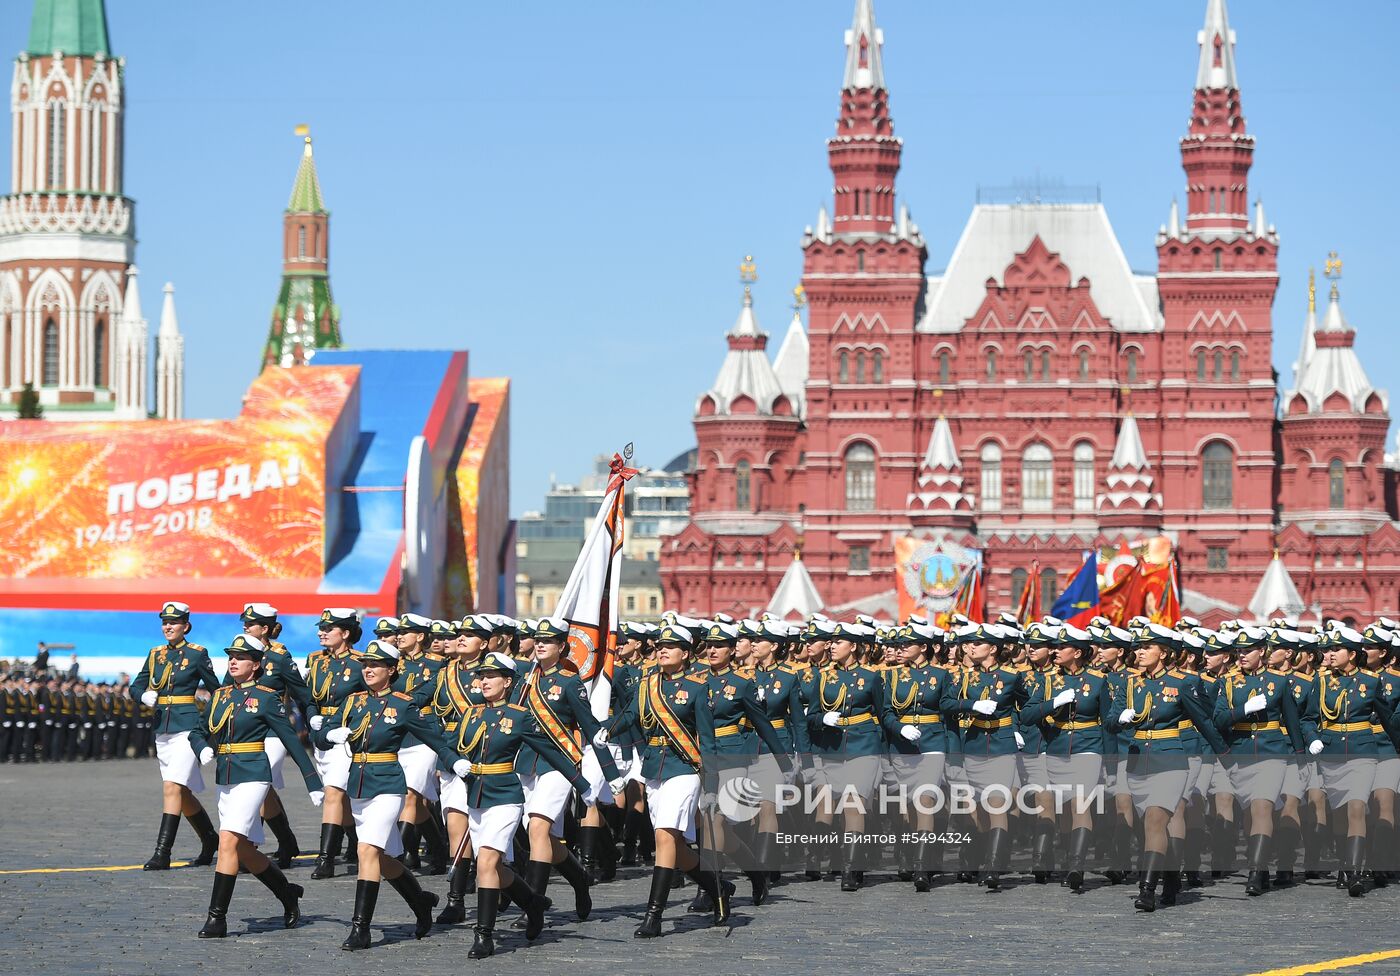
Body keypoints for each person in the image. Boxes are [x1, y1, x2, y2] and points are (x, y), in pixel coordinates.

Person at [313, 639, 470, 950]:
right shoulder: (352, 702)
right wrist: (329, 735)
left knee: (366, 852)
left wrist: (456, 762)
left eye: (376, 665)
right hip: (358, 786)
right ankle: (420, 900)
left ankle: (361, 928)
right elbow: (318, 736)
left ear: (392, 670)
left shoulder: (403, 705)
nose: (368, 669)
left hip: (387, 786)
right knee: (382, 858)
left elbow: (436, 741)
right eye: (366, 665)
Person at [451, 650, 602, 958]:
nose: (483, 681)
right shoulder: (471, 714)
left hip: (506, 796)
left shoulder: (520, 716)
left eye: (491, 676)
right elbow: (448, 741)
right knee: (492, 867)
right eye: (481, 676)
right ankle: (533, 901)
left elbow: (552, 751)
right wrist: (453, 761)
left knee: (495, 859)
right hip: (478, 796)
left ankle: (484, 936)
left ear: (508, 681)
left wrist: (583, 785)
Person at [188, 634, 324, 938]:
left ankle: (216, 918)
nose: (233, 661)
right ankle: (287, 893)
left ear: (256, 664)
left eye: (241, 657)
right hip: (226, 776)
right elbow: (198, 731)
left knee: (228, 842)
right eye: (231, 656)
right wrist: (202, 748)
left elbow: (291, 740)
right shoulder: (219, 696)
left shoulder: (266, 697)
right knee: (244, 850)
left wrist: (312, 780)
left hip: (253, 774)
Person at [606, 622, 730, 937]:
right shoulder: (647, 685)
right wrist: (605, 728)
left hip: (685, 769)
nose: (662, 650)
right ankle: (717, 886)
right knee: (674, 844)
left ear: (686, 653)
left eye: (670, 646)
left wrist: (712, 786)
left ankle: (654, 915)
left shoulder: (699, 687)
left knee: (664, 836)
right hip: (654, 769)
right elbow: (631, 716)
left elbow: (708, 739)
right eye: (660, 645)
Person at [1109, 622, 1228, 912]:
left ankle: (1147, 889)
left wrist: (1227, 756)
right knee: (1149, 828)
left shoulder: (1181, 683)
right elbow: (1110, 722)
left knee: (1155, 820)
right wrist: (1121, 718)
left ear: (1163, 652)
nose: (1139, 652)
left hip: (1172, 761)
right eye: (1138, 647)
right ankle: (1172, 875)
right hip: (1138, 763)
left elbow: (1204, 721)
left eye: (1147, 647)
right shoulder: (1129, 683)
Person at [509, 616, 621, 924]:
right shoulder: (525, 679)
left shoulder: (571, 682)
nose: (541, 644)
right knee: (544, 839)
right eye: (538, 639)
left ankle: (532, 905)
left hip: (559, 763)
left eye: (549, 641)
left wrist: (611, 774)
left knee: (538, 828)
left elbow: (589, 727)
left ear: (562, 646)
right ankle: (578, 877)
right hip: (526, 762)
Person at [1299, 625, 1400, 897]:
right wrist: (1311, 738)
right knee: (1340, 815)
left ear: (1352, 655)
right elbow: (1307, 718)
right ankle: (1346, 863)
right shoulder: (1320, 682)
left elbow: (1388, 719)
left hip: (1363, 752)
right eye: (1328, 649)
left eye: (1336, 649)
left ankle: (1355, 872)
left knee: (1357, 807)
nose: (1330, 654)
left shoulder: (1370, 682)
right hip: (1330, 753)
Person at [1212, 626, 1306, 895]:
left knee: (1262, 806)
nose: (1241, 655)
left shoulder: (1279, 682)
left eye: (1248, 650)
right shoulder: (1227, 682)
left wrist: (1300, 758)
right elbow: (1218, 720)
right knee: (1248, 816)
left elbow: (1292, 721)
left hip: (1271, 752)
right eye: (1239, 650)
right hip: (1239, 753)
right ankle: (1263, 868)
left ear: (1261, 651)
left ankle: (1255, 871)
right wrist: (1243, 710)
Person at [1019, 624, 1113, 892]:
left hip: (1088, 748)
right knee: (1064, 811)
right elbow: (1026, 715)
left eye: (1062, 647)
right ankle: (1065, 857)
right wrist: (1053, 703)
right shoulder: (1048, 680)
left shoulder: (1098, 681)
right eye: (1056, 647)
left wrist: (1111, 761)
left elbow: (1106, 722)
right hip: (1057, 749)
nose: (1056, 651)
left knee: (1080, 805)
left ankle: (1076, 866)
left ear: (1079, 652)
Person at [130, 602, 223, 870]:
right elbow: (136, 685)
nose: (168, 627)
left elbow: (216, 691)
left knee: (171, 787)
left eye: (174, 623)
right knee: (181, 793)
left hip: (188, 728)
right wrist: (142, 695)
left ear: (186, 626)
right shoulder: (154, 654)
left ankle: (162, 853)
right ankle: (209, 839)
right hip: (163, 728)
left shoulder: (197, 654)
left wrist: (209, 726)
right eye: (165, 623)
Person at [236, 603, 313, 868]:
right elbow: (227, 690)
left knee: (256, 786)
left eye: (250, 623)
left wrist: (313, 718)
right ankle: (287, 841)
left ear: (265, 628)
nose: (245, 627)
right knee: (263, 791)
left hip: (273, 732)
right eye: (244, 623)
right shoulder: (239, 653)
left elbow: (302, 693)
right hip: (246, 732)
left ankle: (249, 847)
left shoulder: (279, 657)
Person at [883, 621, 953, 891]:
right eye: (900, 645)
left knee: (925, 800)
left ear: (923, 647)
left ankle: (922, 868)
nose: (901, 649)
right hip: (902, 746)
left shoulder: (941, 675)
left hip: (931, 743)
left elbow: (947, 711)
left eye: (907, 645)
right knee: (909, 807)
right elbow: (887, 712)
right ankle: (913, 855)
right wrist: (900, 727)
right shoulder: (892, 677)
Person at [432, 614, 492, 924]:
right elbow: (421, 707)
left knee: (487, 837)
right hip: (453, 755)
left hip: (488, 756)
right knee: (457, 827)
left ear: (484, 642)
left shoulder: (497, 672)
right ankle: (455, 901)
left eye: (470, 634)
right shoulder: (444, 674)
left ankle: (506, 889)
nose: (462, 637)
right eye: (460, 633)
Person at [305, 608, 368, 879]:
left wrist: (353, 727)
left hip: (346, 736)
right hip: (322, 735)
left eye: (328, 628)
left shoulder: (360, 662)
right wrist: (312, 717)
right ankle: (355, 842)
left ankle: (326, 858)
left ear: (345, 633)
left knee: (333, 793)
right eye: (321, 627)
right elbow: (309, 698)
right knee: (339, 799)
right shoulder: (317, 662)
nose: (322, 632)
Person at [391, 612, 450, 875]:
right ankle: (438, 848)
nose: (400, 636)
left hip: (425, 734)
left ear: (421, 636)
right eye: (399, 632)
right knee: (413, 798)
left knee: (411, 795)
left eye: (406, 632)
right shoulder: (391, 663)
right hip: (397, 734)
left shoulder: (438, 664)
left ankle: (399, 856)